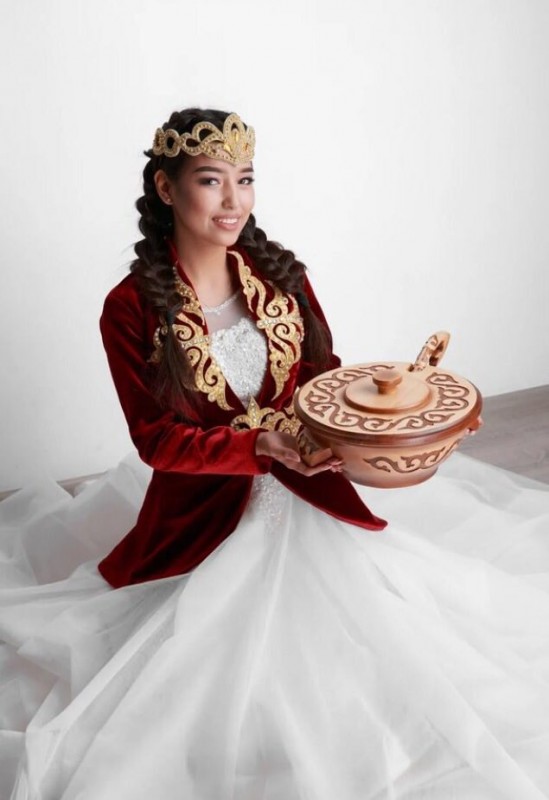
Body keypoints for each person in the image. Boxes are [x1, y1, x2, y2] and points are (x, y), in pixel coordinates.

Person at [1, 108, 549, 800]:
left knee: (398, 641)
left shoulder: (279, 272)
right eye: (211, 180)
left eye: (246, 179)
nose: (233, 200)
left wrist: (390, 429)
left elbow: (324, 380)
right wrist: (261, 446)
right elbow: (156, 440)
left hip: (310, 488)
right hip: (203, 513)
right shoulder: (131, 307)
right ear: (167, 189)